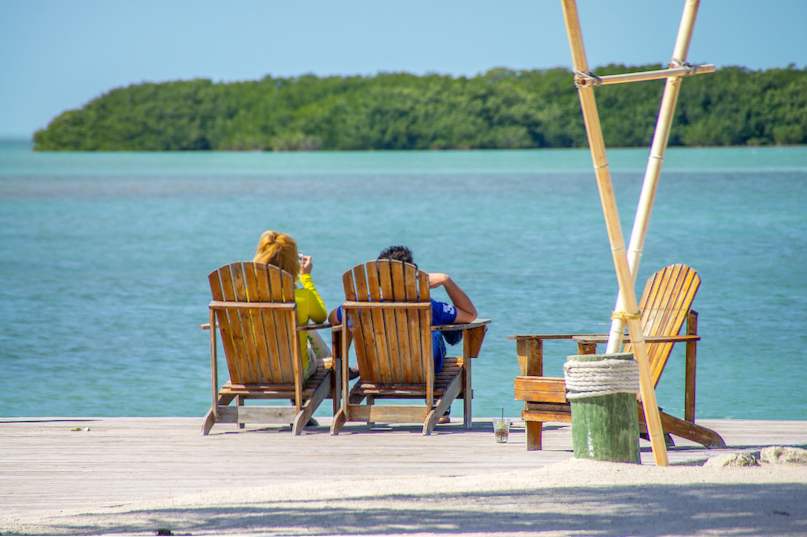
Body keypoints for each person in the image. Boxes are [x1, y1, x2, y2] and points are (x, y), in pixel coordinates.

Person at [330, 244, 477, 375]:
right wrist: (446, 280)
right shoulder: (428, 306)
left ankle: (354, 369)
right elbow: (470, 315)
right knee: (439, 332)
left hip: (376, 370)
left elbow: (332, 319)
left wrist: (348, 309)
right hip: (421, 372)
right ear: (411, 275)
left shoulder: (360, 306)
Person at [253, 230, 329, 381]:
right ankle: (338, 366)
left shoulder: (245, 297)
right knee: (305, 327)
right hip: (296, 373)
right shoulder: (302, 298)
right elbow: (321, 317)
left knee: (301, 325)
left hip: (255, 371)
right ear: (292, 263)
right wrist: (306, 277)